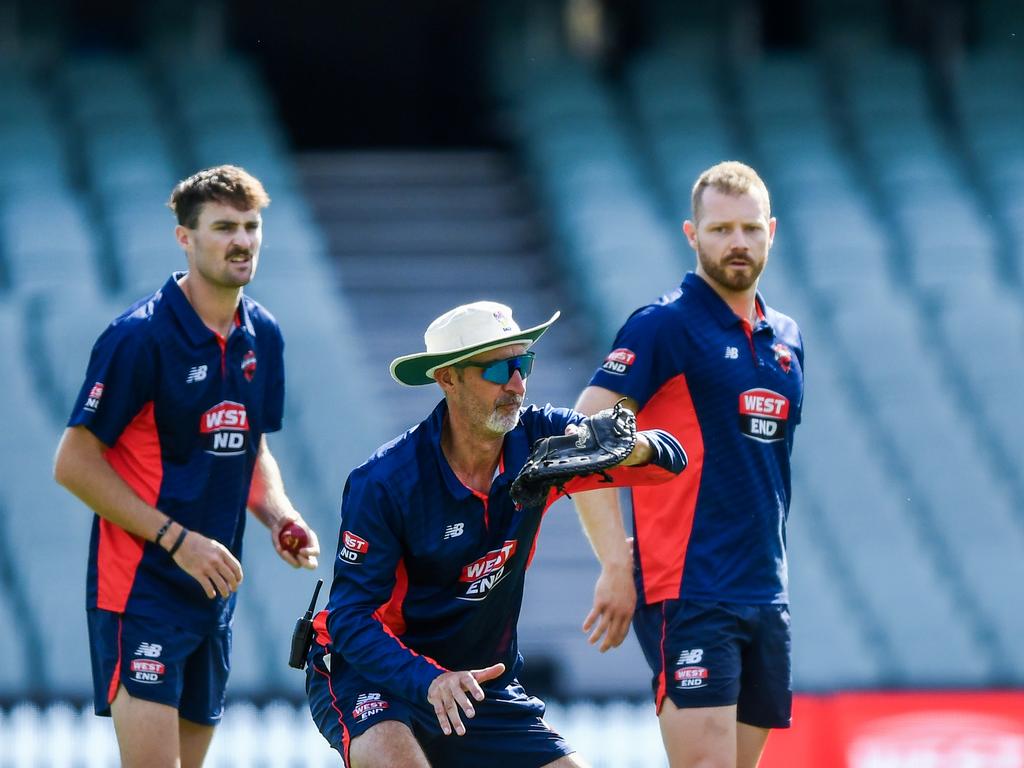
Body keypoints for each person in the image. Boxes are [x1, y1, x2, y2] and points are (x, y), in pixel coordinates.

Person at [305, 301, 687, 768]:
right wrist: (428, 681)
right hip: (371, 676)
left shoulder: (541, 437)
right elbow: (349, 620)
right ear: (447, 378)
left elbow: (671, 462)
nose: (518, 384)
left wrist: (627, 445)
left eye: (523, 363)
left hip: (476, 682)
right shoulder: (385, 482)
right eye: (497, 369)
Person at [53, 165, 321, 768]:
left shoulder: (264, 336)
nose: (243, 241)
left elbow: (252, 451)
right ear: (185, 238)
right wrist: (176, 540)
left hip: (212, 595)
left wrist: (279, 517)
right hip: (140, 591)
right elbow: (73, 463)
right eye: (225, 227)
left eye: (252, 227)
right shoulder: (138, 337)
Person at [572, 161, 804, 768]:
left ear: (772, 232)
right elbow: (581, 441)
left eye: (751, 229)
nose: (738, 242)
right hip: (689, 591)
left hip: (765, 592)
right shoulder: (663, 326)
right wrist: (617, 562)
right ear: (691, 234)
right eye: (721, 228)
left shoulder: (786, 340)